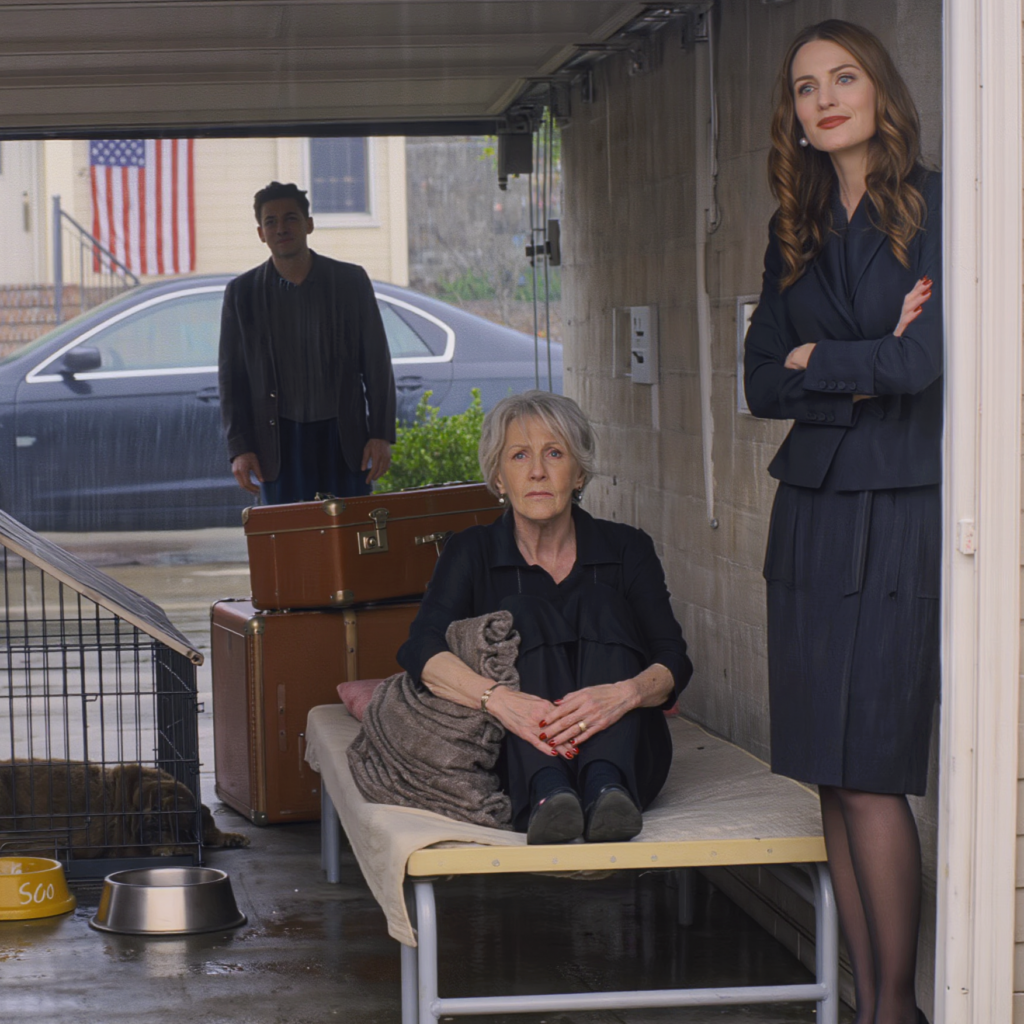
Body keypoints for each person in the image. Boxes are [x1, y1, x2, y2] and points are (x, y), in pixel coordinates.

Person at [744, 21, 940, 1024]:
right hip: (811, 513)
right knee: (826, 773)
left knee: (869, 772)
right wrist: (858, 365)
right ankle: (869, 1006)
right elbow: (757, 381)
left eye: (843, 77)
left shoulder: (938, 207)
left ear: (879, 90)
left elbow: (921, 365)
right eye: (804, 86)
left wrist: (819, 360)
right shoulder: (794, 227)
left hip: (898, 509)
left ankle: (895, 1007)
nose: (823, 98)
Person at [397, 391, 692, 844]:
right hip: (516, 761)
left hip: (628, 766)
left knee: (601, 603)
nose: (537, 471)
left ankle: (605, 785)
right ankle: (548, 790)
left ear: (579, 473)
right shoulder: (472, 551)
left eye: (554, 453)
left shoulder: (626, 548)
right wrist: (500, 701)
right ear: (499, 477)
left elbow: (673, 658)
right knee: (520, 612)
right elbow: (421, 647)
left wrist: (623, 695)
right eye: (519, 455)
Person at [218, 181, 396, 504]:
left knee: (350, 531)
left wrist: (381, 435)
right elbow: (232, 380)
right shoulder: (242, 293)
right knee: (290, 534)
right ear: (260, 233)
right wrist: (240, 449)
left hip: (344, 439)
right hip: (278, 444)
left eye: (291, 218)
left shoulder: (350, 282)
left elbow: (377, 366)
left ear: (309, 224)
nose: (281, 228)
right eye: (271, 221)